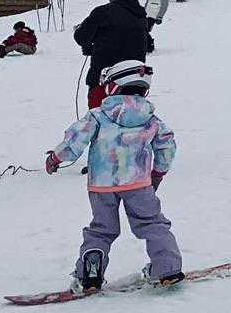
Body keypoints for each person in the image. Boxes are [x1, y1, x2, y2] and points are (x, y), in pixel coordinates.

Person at [44, 59, 183, 292]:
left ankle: (91, 274)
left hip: (101, 186)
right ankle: (167, 268)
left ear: (112, 86)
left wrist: (56, 158)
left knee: (102, 229)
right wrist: (158, 173)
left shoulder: (97, 116)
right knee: (152, 224)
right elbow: (166, 146)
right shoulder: (151, 119)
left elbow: (75, 139)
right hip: (139, 184)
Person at [75, 0, 154, 109]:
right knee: (129, 117)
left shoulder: (103, 11)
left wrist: (91, 43)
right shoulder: (141, 17)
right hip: (135, 80)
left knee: (101, 116)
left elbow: (81, 37)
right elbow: (147, 45)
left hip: (105, 78)